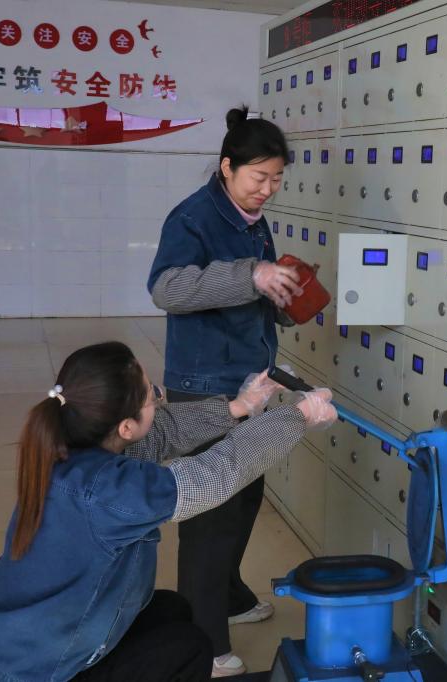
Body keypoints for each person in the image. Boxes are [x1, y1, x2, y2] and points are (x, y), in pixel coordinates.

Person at [0, 341, 336, 682]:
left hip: (5, 654)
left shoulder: (69, 446)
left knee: (170, 610)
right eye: (152, 396)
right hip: (32, 674)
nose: (159, 398)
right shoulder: (109, 490)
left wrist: (241, 406)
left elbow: (161, 431)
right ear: (124, 426)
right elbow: (215, 473)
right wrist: (297, 417)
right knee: (190, 649)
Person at [147, 106, 302, 677]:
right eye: (258, 177)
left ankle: (229, 593)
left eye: (277, 179)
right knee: (211, 512)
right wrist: (250, 276)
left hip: (248, 376)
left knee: (244, 496)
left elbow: (251, 289)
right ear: (226, 167)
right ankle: (204, 638)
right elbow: (166, 288)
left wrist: (280, 297)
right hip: (204, 382)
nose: (268, 189)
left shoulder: (252, 218)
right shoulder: (192, 218)